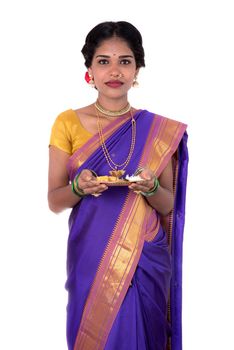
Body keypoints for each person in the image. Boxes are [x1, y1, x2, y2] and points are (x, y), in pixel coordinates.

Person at [48, 21, 188, 350]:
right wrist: (79, 189)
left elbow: (167, 204)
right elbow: (55, 200)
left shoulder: (157, 130)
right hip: (90, 259)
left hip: (145, 255)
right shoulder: (67, 122)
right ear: (89, 70)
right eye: (103, 61)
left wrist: (152, 187)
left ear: (137, 69)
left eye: (125, 61)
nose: (115, 70)